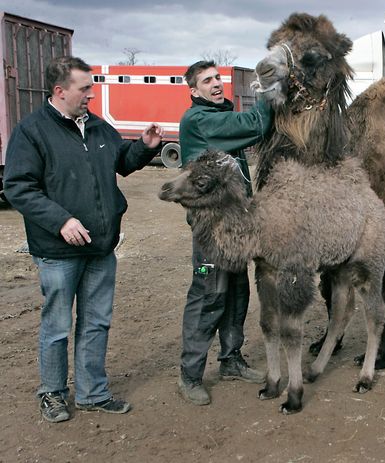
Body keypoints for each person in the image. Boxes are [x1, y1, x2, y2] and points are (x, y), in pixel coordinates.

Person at [3, 56, 163, 423]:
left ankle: (93, 393)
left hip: (101, 247)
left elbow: (122, 161)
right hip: (58, 252)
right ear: (60, 91)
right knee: (57, 326)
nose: (92, 94)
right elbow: (18, 188)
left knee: (96, 322)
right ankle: (53, 394)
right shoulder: (32, 132)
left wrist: (145, 146)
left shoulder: (97, 127)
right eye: (85, 88)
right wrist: (61, 221)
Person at [176, 60, 273, 405]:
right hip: (211, 234)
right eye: (207, 81)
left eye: (218, 78)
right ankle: (190, 375)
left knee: (235, 292)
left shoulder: (218, 115)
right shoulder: (200, 120)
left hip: (234, 229)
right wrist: (268, 92)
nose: (216, 84)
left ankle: (231, 359)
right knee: (208, 294)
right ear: (194, 91)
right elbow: (255, 123)